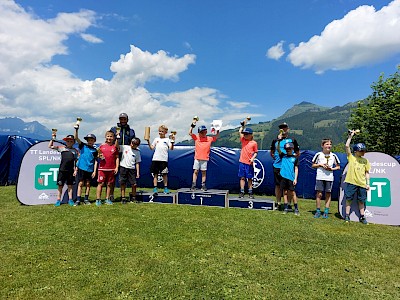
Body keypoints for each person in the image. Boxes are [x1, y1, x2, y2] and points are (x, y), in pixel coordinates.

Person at [270, 122, 300, 210]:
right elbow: (271, 153)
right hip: (277, 166)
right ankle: (278, 203)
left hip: (288, 167)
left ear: (288, 129)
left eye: (285, 127)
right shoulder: (275, 140)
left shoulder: (292, 140)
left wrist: (291, 161)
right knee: (278, 185)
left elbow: (298, 152)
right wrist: (277, 159)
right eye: (281, 128)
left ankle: (289, 204)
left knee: (290, 187)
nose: (283, 129)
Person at [343, 130, 370, 224]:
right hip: (351, 182)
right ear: (355, 151)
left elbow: (367, 173)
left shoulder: (365, 161)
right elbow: (346, 146)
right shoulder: (351, 157)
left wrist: (367, 184)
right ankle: (347, 215)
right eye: (361, 151)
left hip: (362, 184)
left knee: (361, 201)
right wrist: (350, 136)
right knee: (349, 199)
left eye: (364, 150)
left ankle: (362, 217)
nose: (363, 152)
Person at [109, 113, 136, 201]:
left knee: (125, 175)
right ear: (119, 119)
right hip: (115, 152)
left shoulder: (131, 130)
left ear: (127, 120)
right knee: (113, 174)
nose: (123, 121)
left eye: (124, 119)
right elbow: (109, 139)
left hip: (126, 153)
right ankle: (111, 195)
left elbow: (133, 142)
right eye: (121, 119)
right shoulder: (114, 129)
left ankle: (124, 196)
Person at [312, 139, 341, 219]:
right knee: (319, 194)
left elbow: (338, 167)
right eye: (327, 144)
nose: (329, 146)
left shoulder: (333, 156)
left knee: (328, 193)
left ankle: (326, 211)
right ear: (322, 146)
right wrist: (320, 165)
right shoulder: (318, 154)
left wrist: (331, 169)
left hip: (329, 178)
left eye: (330, 144)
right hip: (320, 176)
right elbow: (313, 165)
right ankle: (318, 211)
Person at [48, 134, 78, 207]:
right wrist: (52, 139)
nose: (69, 142)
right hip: (62, 170)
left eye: (71, 141)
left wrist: (75, 170)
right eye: (68, 141)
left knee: (70, 186)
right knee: (60, 186)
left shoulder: (75, 151)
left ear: (73, 142)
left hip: (70, 171)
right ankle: (58, 200)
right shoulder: (61, 148)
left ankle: (70, 200)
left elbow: (77, 161)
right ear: (65, 142)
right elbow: (50, 146)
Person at [145, 125, 174, 194]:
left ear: (165, 132)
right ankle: (155, 188)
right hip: (155, 159)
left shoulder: (167, 140)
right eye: (159, 131)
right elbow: (152, 148)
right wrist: (148, 141)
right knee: (155, 174)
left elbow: (171, 148)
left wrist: (173, 142)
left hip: (163, 160)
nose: (160, 133)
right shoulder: (156, 139)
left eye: (162, 131)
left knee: (164, 174)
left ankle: (165, 188)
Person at [189, 123, 219, 191]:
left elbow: (216, 136)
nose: (202, 133)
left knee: (203, 172)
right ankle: (193, 185)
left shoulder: (209, 138)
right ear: (199, 132)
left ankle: (203, 185)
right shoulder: (196, 137)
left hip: (205, 158)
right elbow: (190, 133)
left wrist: (217, 129)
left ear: (206, 132)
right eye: (201, 132)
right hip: (197, 158)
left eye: (204, 132)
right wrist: (192, 126)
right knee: (195, 171)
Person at [74, 126, 98, 206]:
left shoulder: (95, 150)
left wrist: (94, 171)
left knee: (88, 184)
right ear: (86, 141)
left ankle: (86, 199)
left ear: (94, 141)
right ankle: (78, 199)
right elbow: (76, 138)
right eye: (89, 140)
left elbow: (95, 161)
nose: (90, 141)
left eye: (92, 140)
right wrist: (76, 130)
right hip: (81, 168)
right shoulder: (83, 146)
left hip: (90, 169)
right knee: (80, 183)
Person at [95, 131, 119, 206]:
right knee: (100, 184)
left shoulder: (115, 147)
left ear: (114, 138)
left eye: (111, 136)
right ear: (105, 137)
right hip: (102, 168)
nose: (109, 138)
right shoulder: (101, 146)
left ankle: (107, 199)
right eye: (108, 136)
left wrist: (117, 167)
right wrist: (99, 156)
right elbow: (97, 156)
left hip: (111, 169)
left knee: (109, 184)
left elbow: (117, 158)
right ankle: (98, 199)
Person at [277, 142, 300, 215]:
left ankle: (296, 208)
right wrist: (279, 141)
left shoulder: (295, 158)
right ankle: (286, 207)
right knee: (285, 192)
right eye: (286, 149)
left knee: (293, 193)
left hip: (291, 178)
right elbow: (278, 149)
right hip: (283, 177)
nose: (288, 150)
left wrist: (295, 179)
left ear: (292, 149)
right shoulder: (283, 156)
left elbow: (296, 169)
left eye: (289, 148)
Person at [119, 137, 141, 204]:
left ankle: (133, 197)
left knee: (134, 184)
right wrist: (117, 138)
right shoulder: (125, 147)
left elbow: (137, 162)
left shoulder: (137, 152)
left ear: (137, 145)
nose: (132, 145)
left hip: (132, 169)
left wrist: (137, 172)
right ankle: (123, 197)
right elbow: (117, 146)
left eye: (134, 144)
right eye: (132, 143)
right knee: (123, 183)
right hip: (123, 167)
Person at [238, 125, 258, 199]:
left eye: (247, 134)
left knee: (249, 178)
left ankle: (250, 192)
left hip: (249, 163)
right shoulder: (243, 140)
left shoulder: (254, 143)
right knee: (242, 177)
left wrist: (252, 158)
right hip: (242, 162)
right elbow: (240, 131)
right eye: (244, 134)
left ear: (251, 135)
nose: (245, 135)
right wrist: (242, 125)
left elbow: (256, 152)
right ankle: (242, 191)